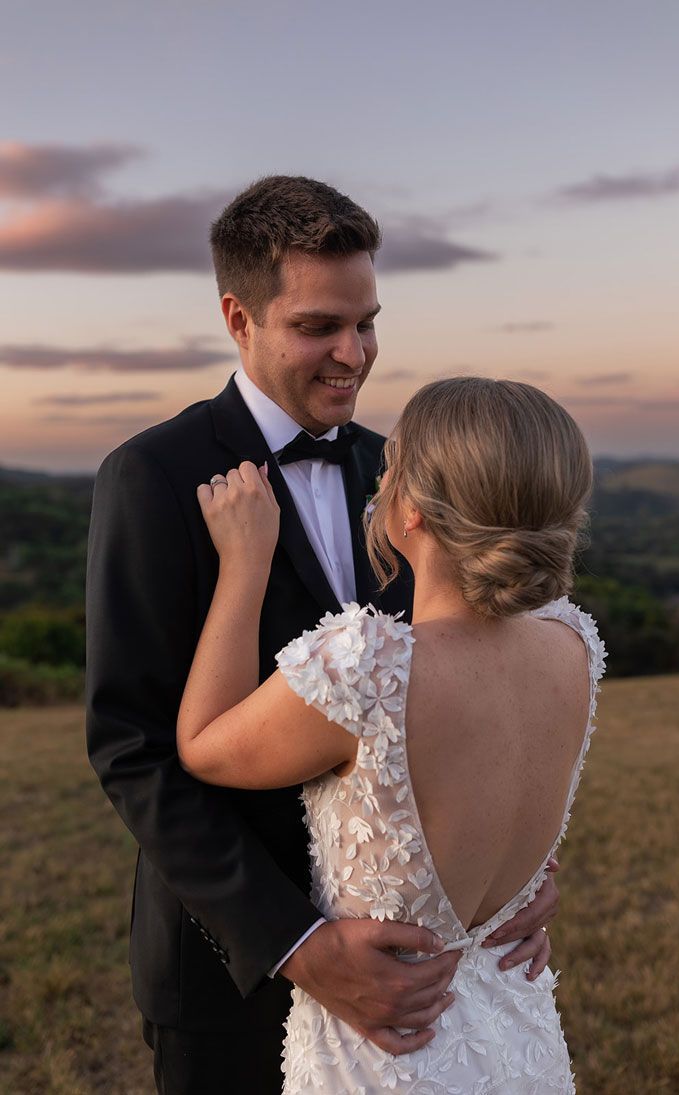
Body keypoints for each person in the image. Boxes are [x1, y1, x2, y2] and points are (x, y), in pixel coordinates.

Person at [86, 177, 559, 1094]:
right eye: (318, 327)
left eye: (368, 321)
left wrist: (519, 867)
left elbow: (479, 678)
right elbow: (132, 750)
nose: (354, 354)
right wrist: (298, 943)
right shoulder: (151, 475)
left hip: (422, 975)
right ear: (239, 316)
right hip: (234, 971)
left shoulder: (407, 467)